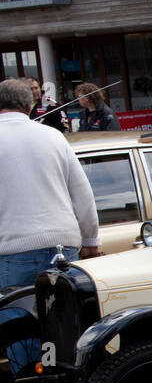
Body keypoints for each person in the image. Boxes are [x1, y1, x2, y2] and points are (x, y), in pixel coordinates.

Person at [0, 78, 100, 290]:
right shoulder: (55, 137)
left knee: (16, 320)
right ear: (29, 106)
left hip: (11, 249)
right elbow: (83, 193)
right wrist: (91, 240)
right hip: (63, 247)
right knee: (65, 319)